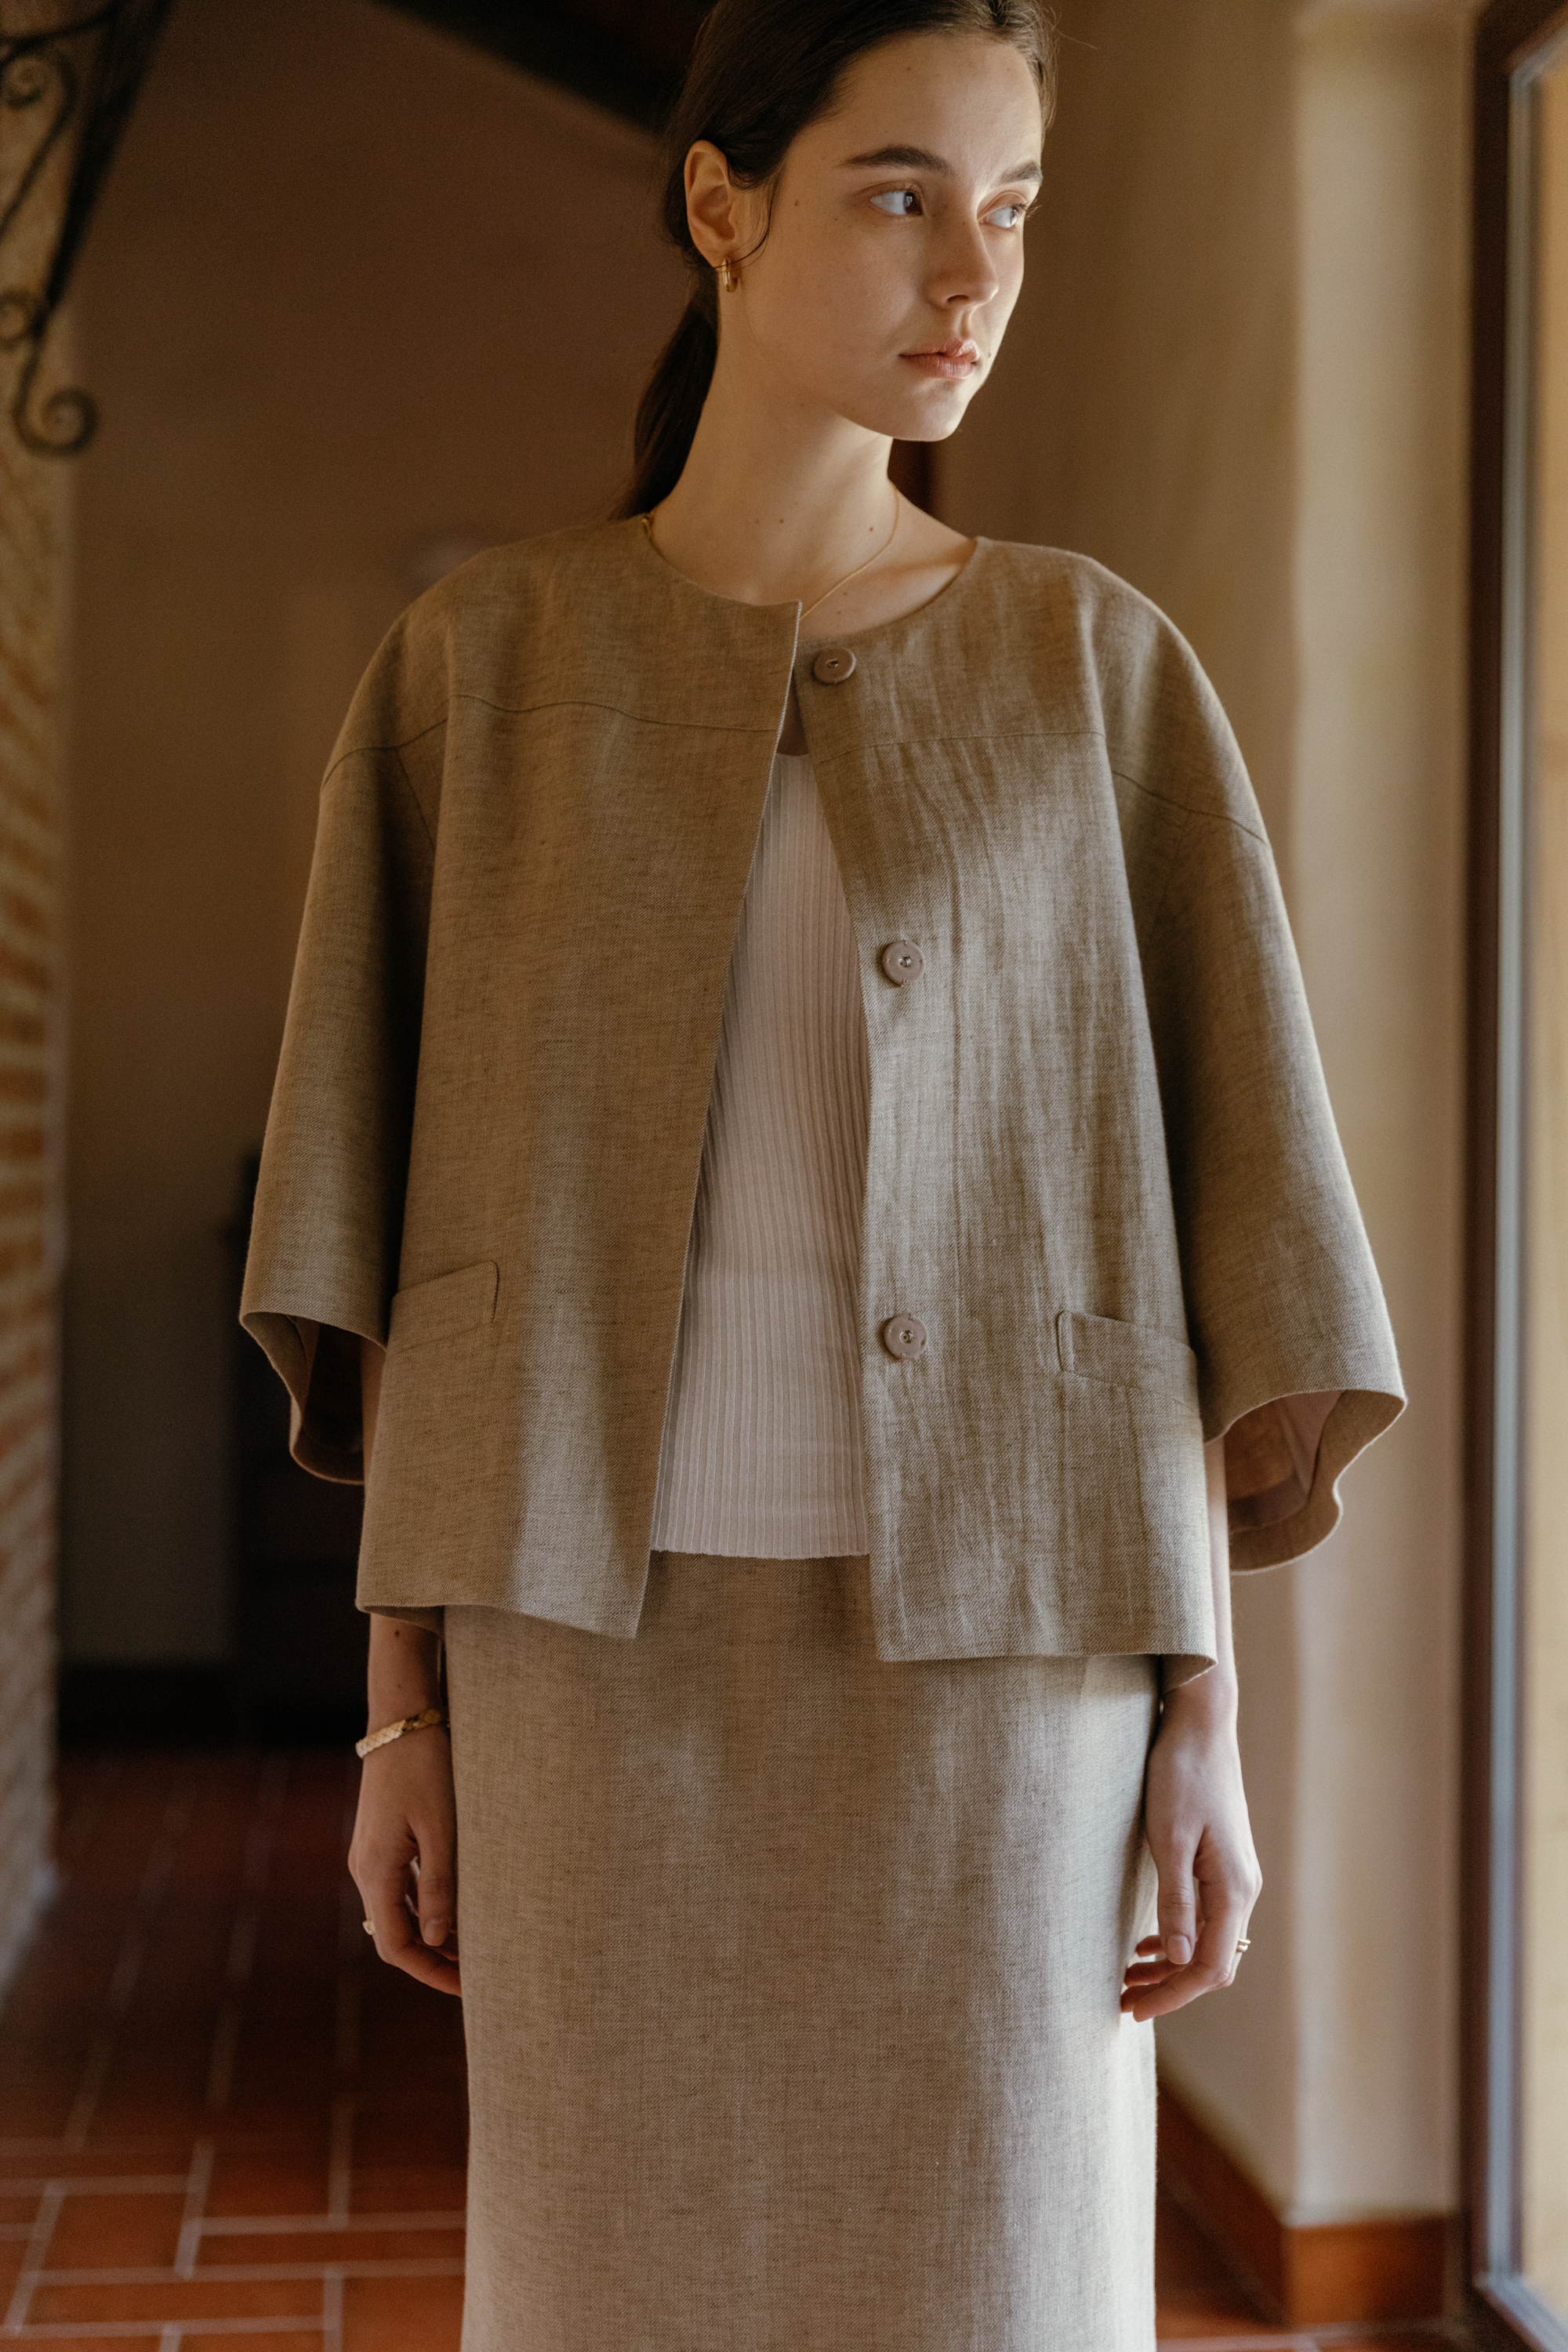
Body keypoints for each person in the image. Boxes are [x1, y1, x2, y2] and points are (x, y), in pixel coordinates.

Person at [241, 2, 1404, 2344]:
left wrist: (1203, 1718)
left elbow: (1200, 1251)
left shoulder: (1097, 673)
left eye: (1015, 210)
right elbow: (405, 1244)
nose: (972, 273)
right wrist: (402, 1709)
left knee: (999, 2288)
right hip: (587, 1669)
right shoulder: (480, 672)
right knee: (607, 2292)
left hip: (1012, 1685)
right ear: (720, 203)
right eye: (901, 194)